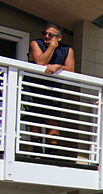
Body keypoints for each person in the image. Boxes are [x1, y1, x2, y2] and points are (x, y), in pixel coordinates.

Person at [27, 23, 75, 152]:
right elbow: (41, 62)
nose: (46, 36)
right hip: (34, 87)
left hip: (53, 90)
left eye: (50, 35)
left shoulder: (67, 50)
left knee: (52, 120)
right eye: (45, 33)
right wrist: (52, 47)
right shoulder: (36, 43)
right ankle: (36, 152)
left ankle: (51, 153)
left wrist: (59, 66)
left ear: (59, 37)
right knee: (34, 119)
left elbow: (71, 69)